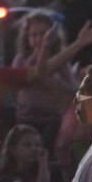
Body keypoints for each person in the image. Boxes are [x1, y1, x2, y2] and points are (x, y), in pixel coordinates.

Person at [12, 12, 77, 148]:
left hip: (52, 118)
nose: (38, 39)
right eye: (33, 35)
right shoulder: (21, 59)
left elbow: (72, 88)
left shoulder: (60, 61)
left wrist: (53, 81)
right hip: (26, 117)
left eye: (43, 34)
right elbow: (15, 82)